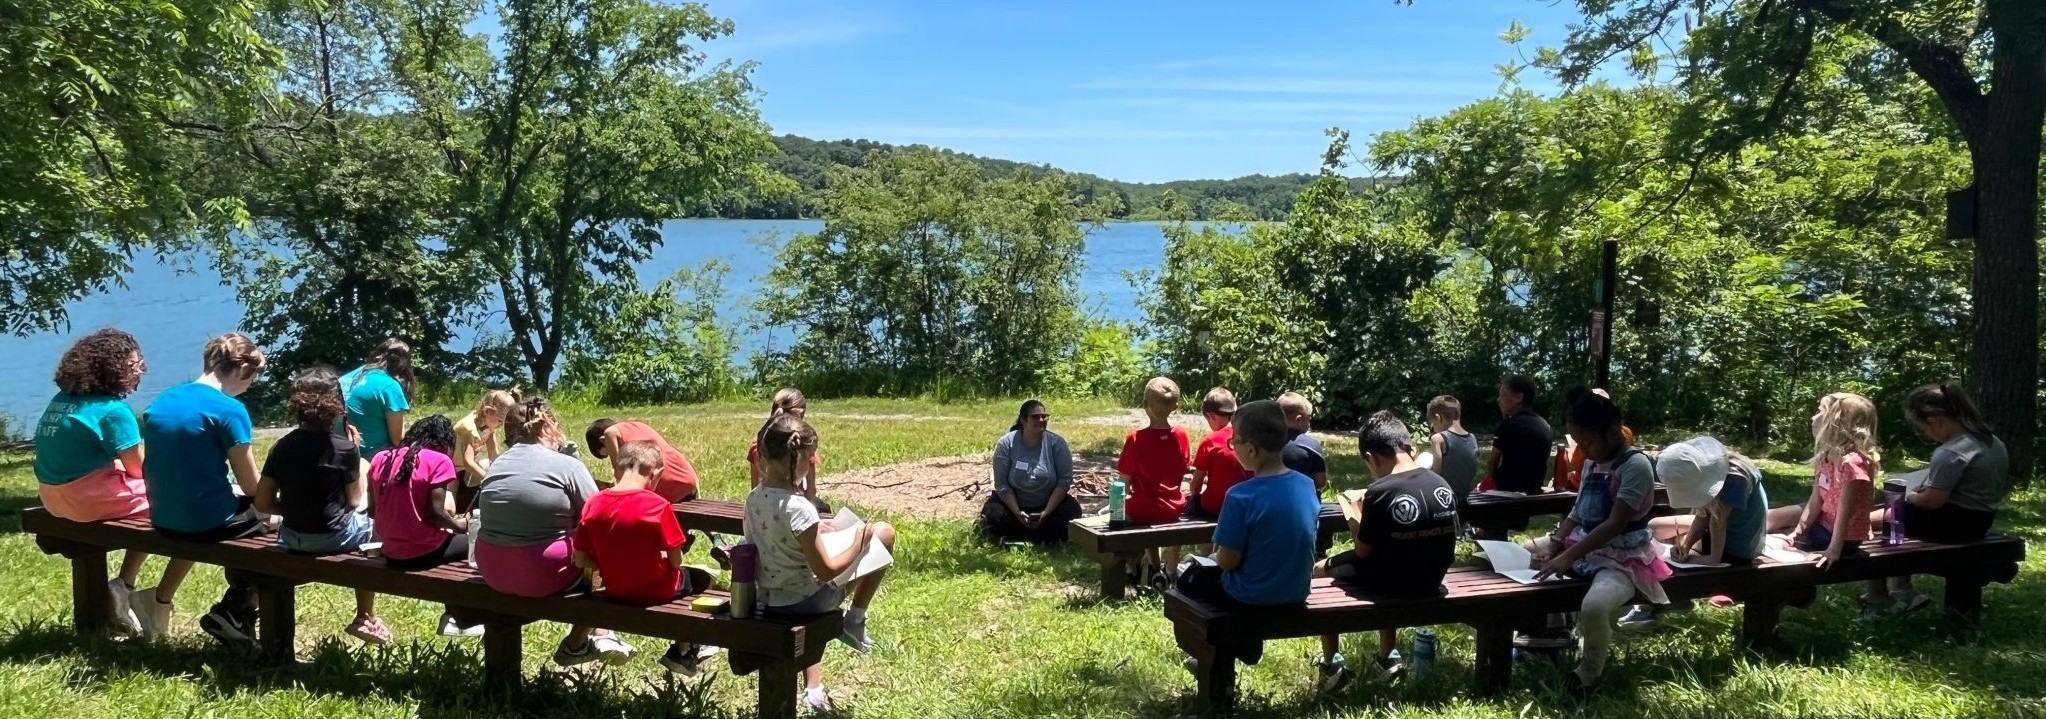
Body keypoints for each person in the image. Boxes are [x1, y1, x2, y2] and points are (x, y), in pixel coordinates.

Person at [32, 328, 195, 637]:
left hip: (52, 497)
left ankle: (123, 587)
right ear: (114, 369)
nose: (141, 371)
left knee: (160, 499)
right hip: (85, 499)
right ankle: (126, 584)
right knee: (174, 500)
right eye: (135, 365)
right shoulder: (113, 410)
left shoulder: (63, 399)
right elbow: (140, 471)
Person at [746, 413, 897, 713]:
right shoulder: (799, 507)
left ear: (764, 454)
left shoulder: (754, 498)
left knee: (863, 535)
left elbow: (762, 542)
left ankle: (854, 621)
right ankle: (855, 619)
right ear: (799, 460)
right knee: (884, 533)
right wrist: (859, 539)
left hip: (771, 599)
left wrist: (819, 531)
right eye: (811, 458)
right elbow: (826, 570)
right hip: (809, 601)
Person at [1524, 391, 1670, 696]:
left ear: (1613, 431)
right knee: (1518, 554)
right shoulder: (1592, 464)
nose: (1585, 452)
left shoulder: (1635, 465)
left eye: (1589, 443)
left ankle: (1587, 674)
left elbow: (1615, 522)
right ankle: (1540, 639)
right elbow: (1578, 511)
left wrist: (1567, 555)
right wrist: (1555, 541)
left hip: (1623, 557)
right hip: (1582, 545)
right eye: (1580, 444)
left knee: (1594, 605)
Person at [474, 397, 634, 666]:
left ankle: (586, 639)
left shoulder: (496, 465)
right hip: (542, 574)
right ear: (548, 426)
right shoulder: (567, 466)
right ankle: (598, 633)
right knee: (611, 552)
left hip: (492, 572)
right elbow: (601, 519)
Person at [1314, 411, 1459, 692]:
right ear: (1410, 448)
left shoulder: (1381, 491)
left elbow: (1364, 553)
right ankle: (1386, 655)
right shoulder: (1442, 485)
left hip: (1392, 583)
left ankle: (1331, 662)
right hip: (1431, 580)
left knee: (1319, 569)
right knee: (1392, 558)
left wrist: (1357, 518)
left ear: (1373, 457)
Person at [141, 332, 271, 646]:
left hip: (162, 515)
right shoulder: (229, 410)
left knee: (249, 516)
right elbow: (254, 487)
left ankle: (218, 608)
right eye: (254, 377)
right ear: (242, 370)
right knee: (276, 526)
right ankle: (238, 611)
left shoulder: (163, 400)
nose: (251, 386)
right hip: (205, 520)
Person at [1174, 400, 1320, 673]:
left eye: (1234, 442)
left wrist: (1212, 557)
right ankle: (1243, 642)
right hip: (1296, 590)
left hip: (1251, 597)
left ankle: (1219, 656)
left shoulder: (1241, 496)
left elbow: (1228, 561)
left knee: (1187, 580)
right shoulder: (1306, 485)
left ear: (1250, 450)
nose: (1232, 447)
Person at [252, 366, 386, 645]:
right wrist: (358, 457)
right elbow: (353, 501)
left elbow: (263, 501)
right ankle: (366, 615)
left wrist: (290, 508)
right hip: (333, 537)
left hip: (291, 536)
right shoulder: (344, 448)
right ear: (335, 406)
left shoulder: (282, 446)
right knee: (375, 529)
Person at [1861, 383, 2009, 619]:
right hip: (1979, 520)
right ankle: (1902, 589)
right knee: (1894, 514)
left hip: (1952, 524)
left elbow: (1931, 501)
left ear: (1934, 420)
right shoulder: (1991, 441)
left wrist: (1910, 495)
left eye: (1922, 430)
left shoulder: (1951, 452)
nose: (1926, 435)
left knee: (1873, 523)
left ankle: (1878, 598)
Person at [575, 441, 719, 676]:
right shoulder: (658, 505)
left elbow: (580, 560)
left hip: (616, 589)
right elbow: (676, 562)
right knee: (704, 580)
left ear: (616, 470)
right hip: (658, 591)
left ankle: (683, 650)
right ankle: (684, 650)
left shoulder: (593, 504)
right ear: (656, 473)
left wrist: (614, 562)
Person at [369, 415, 481, 637]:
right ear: (444, 441)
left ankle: (455, 616)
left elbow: (373, 509)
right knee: (478, 544)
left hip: (389, 549)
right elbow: (434, 514)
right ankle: (459, 617)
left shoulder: (382, 458)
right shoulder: (438, 460)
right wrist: (458, 525)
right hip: (423, 551)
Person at [1636, 436, 1768, 621]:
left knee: (1663, 545)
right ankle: (1672, 597)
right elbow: (1703, 514)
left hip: (1738, 547)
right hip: (1722, 535)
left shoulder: (1734, 479)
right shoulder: (1713, 474)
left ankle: (1675, 597)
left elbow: (1717, 522)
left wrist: (1696, 560)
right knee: (1655, 529)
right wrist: (1687, 546)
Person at [1789, 393, 1880, 571]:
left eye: (1819, 411)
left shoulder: (1852, 463)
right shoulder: (1826, 457)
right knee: (1785, 530)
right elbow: (1816, 500)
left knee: (1778, 535)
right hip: (1825, 528)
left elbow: (1845, 512)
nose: (1813, 416)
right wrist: (1797, 531)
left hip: (1841, 538)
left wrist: (1833, 550)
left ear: (1836, 423)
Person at [1116, 377, 1191, 584]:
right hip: (1172, 508)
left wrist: (1114, 514)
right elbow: (1181, 471)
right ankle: (1163, 568)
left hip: (1141, 510)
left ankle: (1134, 566)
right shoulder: (1182, 436)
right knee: (1156, 508)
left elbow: (1122, 484)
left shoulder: (1135, 439)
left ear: (1145, 405)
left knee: (1108, 513)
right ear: (1175, 406)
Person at [978, 399, 1077, 544]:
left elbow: (1064, 482)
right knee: (993, 515)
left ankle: (1030, 536)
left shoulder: (1057, 444)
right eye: (1035, 417)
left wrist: (1045, 513)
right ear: (1023, 420)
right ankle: (1033, 536)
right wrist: (1018, 514)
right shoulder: (1006, 443)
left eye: (1044, 416)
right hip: (1014, 506)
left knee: (1072, 512)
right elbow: (1002, 484)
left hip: (1048, 506)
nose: (1041, 420)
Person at [1476, 374, 1552, 539]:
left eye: (1502, 395)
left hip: (1506, 492)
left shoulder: (1508, 425)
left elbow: (1493, 462)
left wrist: (1488, 482)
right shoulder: (1544, 425)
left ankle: (1485, 536)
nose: (1498, 400)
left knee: (1476, 500)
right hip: (1532, 489)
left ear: (1518, 397)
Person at [586, 417, 701, 504]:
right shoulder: (636, 425)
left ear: (602, 441)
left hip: (669, 486)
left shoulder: (610, 433)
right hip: (688, 478)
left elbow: (621, 477)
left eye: (606, 452)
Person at [1552, 386, 1637, 492]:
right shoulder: (1590, 463)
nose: (1584, 451)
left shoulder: (1634, 466)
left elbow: (1575, 471)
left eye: (1587, 444)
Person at [340, 338, 414, 456]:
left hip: (339, 450)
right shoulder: (389, 386)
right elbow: (397, 440)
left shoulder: (345, 378)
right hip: (372, 456)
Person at [748, 386, 823, 501]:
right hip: (796, 505)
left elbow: (754, 486)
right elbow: (811, 490)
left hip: (763, 505)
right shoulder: (802, 443)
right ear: (800, 415)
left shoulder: (757, 442)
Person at [453, 389, 518, 512]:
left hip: (468, 470)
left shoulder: (488, 425)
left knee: (491, 466)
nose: (501, 425)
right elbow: (468, 462)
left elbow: (494, 456)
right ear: (487, 411)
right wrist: (488, 478)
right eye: (500, 420)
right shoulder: (468, 427)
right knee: (449, 505)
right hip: (454, 469)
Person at [1187, 388, 1247, 521]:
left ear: (1211, 416)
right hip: (1246, 506)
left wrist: (1192, 494)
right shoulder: (1249, 436)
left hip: (1216, 508)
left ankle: (1206, 542)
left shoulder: (1210, 441)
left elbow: (1196, 486)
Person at [1424, 395, 1480, 506]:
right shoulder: (1472, 438)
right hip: (1464, 498)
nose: (1433, 429)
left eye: (1433, 425)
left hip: (1445, 501)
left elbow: (1436, 476)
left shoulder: (1438, 439)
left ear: (1438, 418)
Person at [1277, 391, 1329, 496]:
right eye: (1308, 418)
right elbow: (1320, 483)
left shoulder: (1263, 441)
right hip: (1303, 504)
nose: (1309, 423)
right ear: (1299, 420)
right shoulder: (1311, 445)